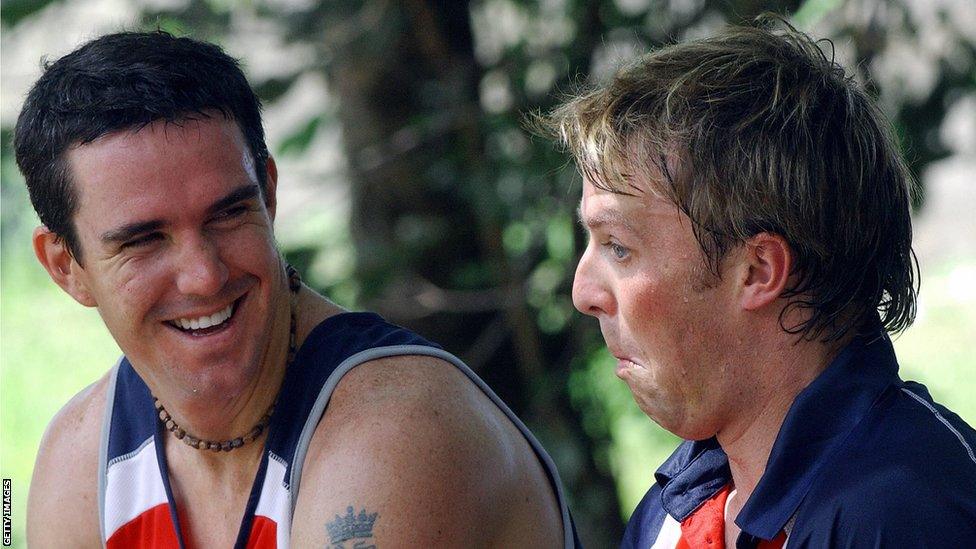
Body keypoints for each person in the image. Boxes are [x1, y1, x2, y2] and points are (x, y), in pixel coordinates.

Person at [17, 31, 578, 548]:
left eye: (228, 214)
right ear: (66, 266)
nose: (204, 276)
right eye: (144, 241)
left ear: (270, 196)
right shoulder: (80, 458)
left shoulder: (396, 432)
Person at [539, 18, 976, 548]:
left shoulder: (903, 513)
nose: (583, 293)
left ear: (759, 271)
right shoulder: (674, 508)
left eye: (619, 247)